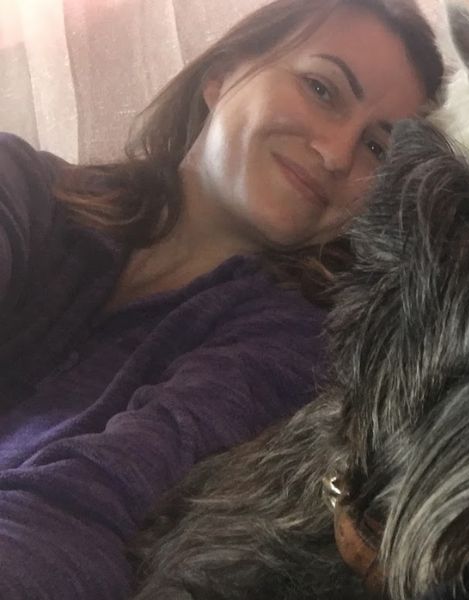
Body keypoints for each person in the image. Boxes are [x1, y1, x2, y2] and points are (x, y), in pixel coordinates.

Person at [0, 0, 443, 597]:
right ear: (221, 74)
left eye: (376, 148)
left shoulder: (295, 351)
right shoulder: (23, 185)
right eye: (322, 88)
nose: (337, 153)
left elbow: (94, 508)